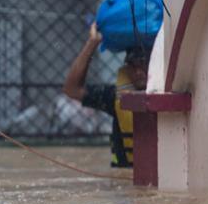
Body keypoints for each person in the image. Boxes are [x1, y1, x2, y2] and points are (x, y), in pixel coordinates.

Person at [63, 22, 149, 168]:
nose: (138, 72)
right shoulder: (114, 97)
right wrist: (92, 44)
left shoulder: (172, 97)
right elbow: (72, 89)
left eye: (144, 64)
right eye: (133, 65)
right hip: (122, 179)